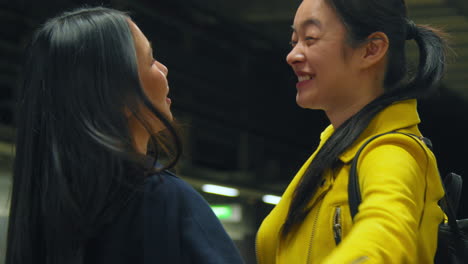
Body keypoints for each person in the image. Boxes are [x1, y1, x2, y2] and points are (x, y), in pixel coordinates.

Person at [6, 6, 244, 264]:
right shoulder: (167, 202)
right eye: (151, 60)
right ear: (117, 93)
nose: (163, 69)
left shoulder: (39, 214)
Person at [256, 0, 448, 263]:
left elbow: (385, 237)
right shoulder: (333, 150)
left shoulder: (391, 155)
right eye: (294, 41)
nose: (292, 55)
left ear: (371, 50)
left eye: (310, 38)